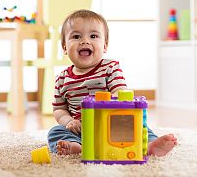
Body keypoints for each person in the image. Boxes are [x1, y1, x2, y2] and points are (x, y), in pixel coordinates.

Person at [47, 9, 177, 157]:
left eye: (94, 36)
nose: (85, 41)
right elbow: (59, 110)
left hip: (112, 124)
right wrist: (69, 121)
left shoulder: (110, 68)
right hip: (81, 130)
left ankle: (150, 145)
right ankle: (77, 146)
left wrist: (112, 104)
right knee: (55, 132)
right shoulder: (61, 79)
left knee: (138, 124)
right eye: (76, 36)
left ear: (105, 46)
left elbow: (120, 91)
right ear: (64, 47)